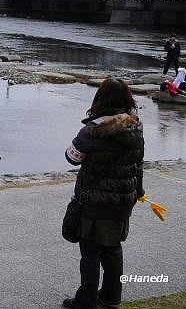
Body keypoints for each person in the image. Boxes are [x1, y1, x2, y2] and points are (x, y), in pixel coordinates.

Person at [63, 78, 144, 309]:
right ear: (127, 100)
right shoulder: (136, 128)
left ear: (100, 99)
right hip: (123, 202)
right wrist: (138, 192)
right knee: (113, 250)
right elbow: (139, 165)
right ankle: (110, 297)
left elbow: (72, 157)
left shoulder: (92, 130)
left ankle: (85, 301)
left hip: (94, 202)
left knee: (90, 253)